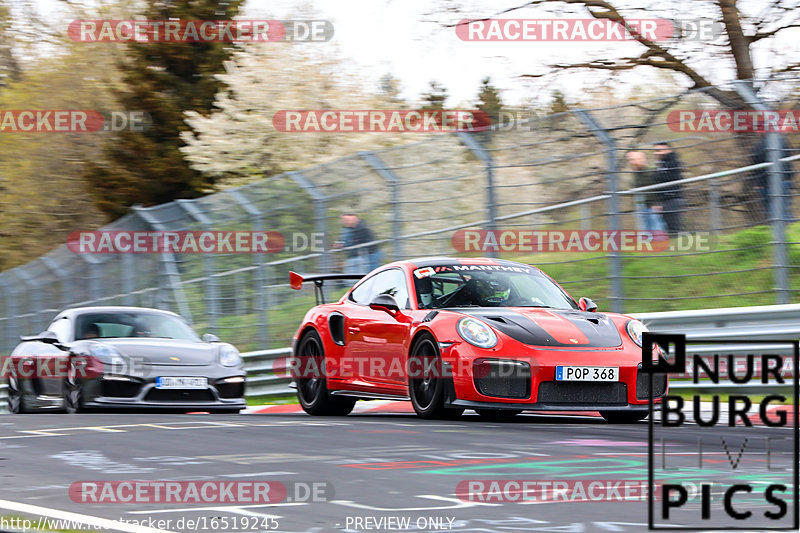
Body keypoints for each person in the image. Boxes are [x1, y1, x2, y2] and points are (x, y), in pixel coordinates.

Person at [750, 130, 796, 223]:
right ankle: (786, 231)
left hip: (768, 184)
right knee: (782, 211)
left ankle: (784, 233)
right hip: (782, 181)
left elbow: (756, 164)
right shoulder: (782, 141)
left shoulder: (759, 146)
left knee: (776, 213)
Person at [626, 151, 666, 233]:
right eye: (631, 160)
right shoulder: (635, 174)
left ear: (642, 159)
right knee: (645, 230)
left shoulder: (652, 172)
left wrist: (657, 203)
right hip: (641, 206)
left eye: (634, 159)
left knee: (656, 228)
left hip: (652, 206)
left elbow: (658, 188)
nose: (632, 162)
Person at [653, 142, 686, 235]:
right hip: (665, 199)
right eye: (656, 151)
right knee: (668, 228)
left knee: (674, 227)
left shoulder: (673, 162)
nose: (657, 153)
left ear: (668, 150)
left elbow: (667, 177)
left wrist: (659, 176)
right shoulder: (661, 164)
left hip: (673, 198)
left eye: (659, 150)